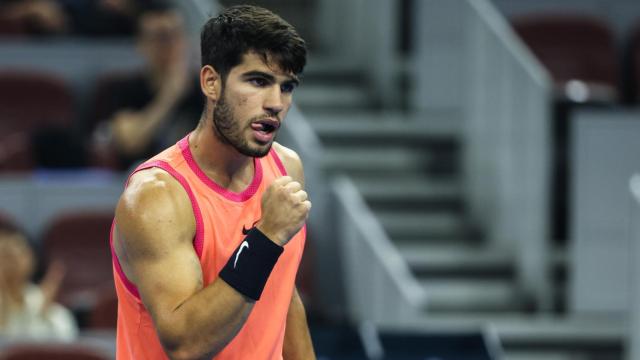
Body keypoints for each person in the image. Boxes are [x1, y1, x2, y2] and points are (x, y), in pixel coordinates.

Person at [111, 4, 315, 359]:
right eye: (258, 81)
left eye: (287, 87)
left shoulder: (286, 168)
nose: (276, 103)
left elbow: (284, 293)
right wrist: (266, 238)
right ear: (211, 82)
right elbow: (187, 343)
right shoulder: (155, 198)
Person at [91, 2, 202, 170]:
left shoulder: (205, 91)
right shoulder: (123, 89)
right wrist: (169, 96)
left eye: (175, 35)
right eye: (160, 37)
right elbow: (130, 142)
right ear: (141, 44)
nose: (169, 45)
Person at [0, 216, 77, 341]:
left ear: (32, 260)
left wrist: (41, 314)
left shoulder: (52, 312)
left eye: (19, 253)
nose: (11, 263)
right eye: (5, 255)